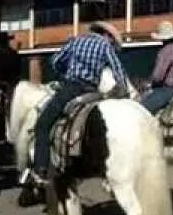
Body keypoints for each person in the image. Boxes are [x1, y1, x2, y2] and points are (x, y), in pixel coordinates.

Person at [27, 21, 129, 186]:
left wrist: (64, 72)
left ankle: (41, 169)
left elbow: (55, 61)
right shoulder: (105, 47)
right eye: (112, 39)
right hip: (93, 92)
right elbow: (118, 69)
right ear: (106, 35)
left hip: (71, 88)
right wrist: (123, 91)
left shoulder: (75, 41)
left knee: (42, 124)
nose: (112, 42)